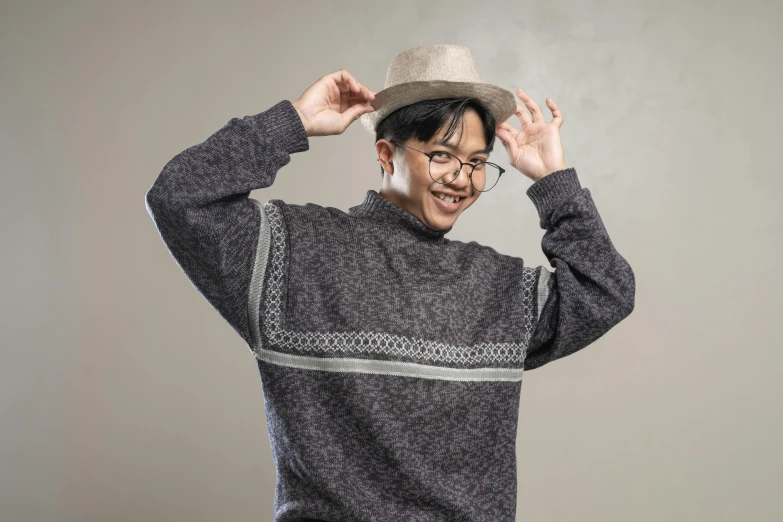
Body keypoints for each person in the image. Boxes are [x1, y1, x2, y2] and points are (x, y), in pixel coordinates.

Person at [145, 44, 634, 522]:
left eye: (479, 162)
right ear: (386, 153)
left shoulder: (499, 289)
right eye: (442, 155)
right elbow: (179, 196)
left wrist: (553, 180)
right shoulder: (293, 253)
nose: (462, 179)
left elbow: (605, 290)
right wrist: (291, 121)